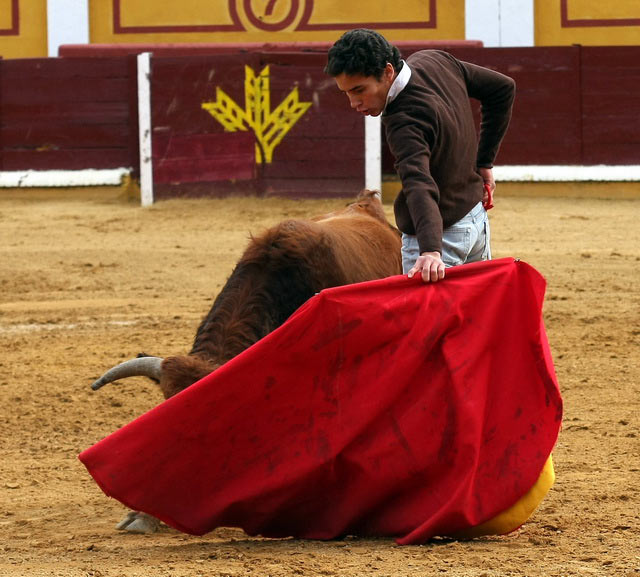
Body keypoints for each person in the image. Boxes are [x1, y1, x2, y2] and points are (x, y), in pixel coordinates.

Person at [325, 29, 515, 282]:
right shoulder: (434, 59)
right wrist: (484, 161)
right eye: (346, 92)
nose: (354, 102)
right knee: (475, 317)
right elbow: (503, 88)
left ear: (388, 72)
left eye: (359, 90)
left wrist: (430, 250)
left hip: (443, 240)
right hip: (475, 221)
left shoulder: (403, 121)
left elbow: (418, 184)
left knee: (428, 322)